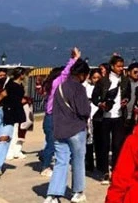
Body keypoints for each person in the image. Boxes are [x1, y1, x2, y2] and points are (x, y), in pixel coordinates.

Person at [44, 59, 91, 203]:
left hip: (60, 129)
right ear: (82, 75)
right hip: (76, 129)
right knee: (78, 161)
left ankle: (53, 194)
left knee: (61, 161)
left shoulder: (59, 86)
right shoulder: (79, 88)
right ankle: (77, 192)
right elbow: (83, 110)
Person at [92, 55, 131, 185]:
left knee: (117, 145)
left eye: (122, 66)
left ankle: (116, 171)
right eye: (118, 66)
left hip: (119, 116)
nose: (121, 68)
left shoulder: (125, 81)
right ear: (113, 66)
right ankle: (104, 172)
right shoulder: (103, 81)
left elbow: (128, 95)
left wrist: (125, 100)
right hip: (104, 117)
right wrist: (100, 104)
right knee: (104, 145)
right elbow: (94, 97)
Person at [0, 67, 26, 177]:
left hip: (4, 112)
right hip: (7, 114)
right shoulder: (13, 85)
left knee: (2, 139)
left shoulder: (11, 85)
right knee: (4, 139)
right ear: (21, 75)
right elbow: (3, 95)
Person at [84, 68, 102, 174]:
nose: (96, 80)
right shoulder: (88, 88)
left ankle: (100, 164)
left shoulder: (104, 88)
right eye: (94, 78)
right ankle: (89, 164)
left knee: (100, 141)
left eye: (98, 78)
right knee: (89, 141)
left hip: (100, 116)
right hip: (90, 116)